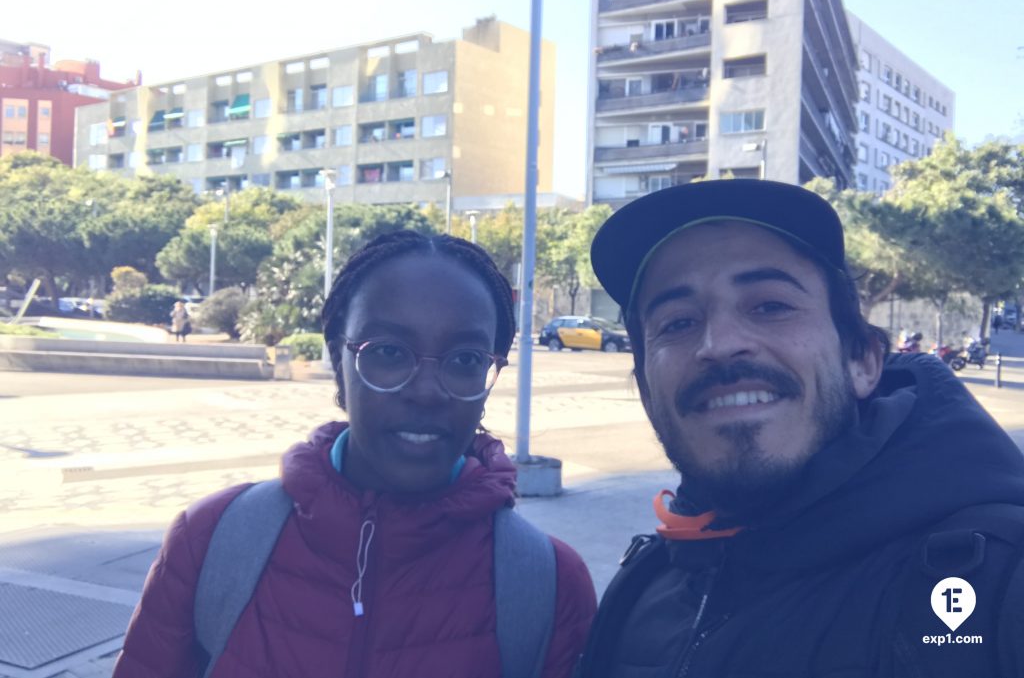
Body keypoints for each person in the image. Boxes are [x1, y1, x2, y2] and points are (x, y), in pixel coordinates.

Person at [579, 180, 1024, 678]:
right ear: (645, 387)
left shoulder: (994, 580)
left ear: (861, 361)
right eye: (678, 322)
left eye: (770, 306)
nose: (719, 344)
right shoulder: (645, 582)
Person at [115, 230, 596, 677]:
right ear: (339, 364)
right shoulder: (213, 541)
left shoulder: (548, 585)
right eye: (388, 352)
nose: (426, 392)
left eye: (466, 360)